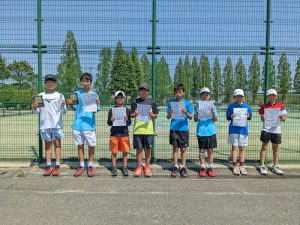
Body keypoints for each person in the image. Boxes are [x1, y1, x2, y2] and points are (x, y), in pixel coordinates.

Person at [66, 72, 100, 177]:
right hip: (78, 124)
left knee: (91, 146)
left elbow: (96, 110)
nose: (85, 83)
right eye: (83, 81)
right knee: (80, 146)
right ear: (81, 81)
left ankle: (89, 166)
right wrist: (70, 104)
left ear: (90, 82)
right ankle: (81, 166)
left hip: (89, 125)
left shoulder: (94, 95)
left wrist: (97, 104)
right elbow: (74, 108)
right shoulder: (76, 94)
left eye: (87, 81)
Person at [32, 74, 66, 176]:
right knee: (47, 147)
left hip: (57, 125)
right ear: (45, 83)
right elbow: (36, 111)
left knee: (57, 145)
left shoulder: (60, 95)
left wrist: (63, 106)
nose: (50, 83)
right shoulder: (40, 95)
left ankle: (57, 165)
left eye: (52, 82)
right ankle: (48, 166)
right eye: (48, 82)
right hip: (45, 125)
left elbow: (63, 111)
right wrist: (34, 107)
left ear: (56, 83)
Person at [130, 83, 158, 177]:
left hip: (148, 130)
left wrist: (151, 115)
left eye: (145, 90)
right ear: (139, 91)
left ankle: (147, 167)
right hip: (138, 130)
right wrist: (135, 114)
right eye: (141, 90)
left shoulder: (152, 102)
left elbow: (155, 115)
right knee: (139, 150)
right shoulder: (135, 102)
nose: (143, 92)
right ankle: (138, 167)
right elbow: (131, 115)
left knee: (147, 149)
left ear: (148, 92)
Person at [258, 89, 287, 175]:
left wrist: (282, 117)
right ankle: (262, 165)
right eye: (270, 95)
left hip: (276, 130)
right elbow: (262, 119)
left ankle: (276, 166)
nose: (272, 97)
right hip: (266, 130)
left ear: (276, 96)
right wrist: (263, 116)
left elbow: (284, 119)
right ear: (267, 97)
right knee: (264, 147)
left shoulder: (281, 106)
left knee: (276, 148)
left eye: (273, 95)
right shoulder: (263, 107)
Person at [166, 83, 193, 177]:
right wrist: (170, 113)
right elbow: (168, 117)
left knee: (183, 149)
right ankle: (175, 166)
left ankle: (183, 166)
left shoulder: (187, 103)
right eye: (176, 92)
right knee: (175, 148)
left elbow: (190, 117)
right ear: (174, 93)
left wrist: (186, 112)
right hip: (174, 129)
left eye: (180, 92)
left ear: (183, 93)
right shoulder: (171, 103)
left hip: (184, 129)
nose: (178, 94)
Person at [226, 89, 252, 175]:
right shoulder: (231, 106)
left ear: (243, 97)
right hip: (233, 130)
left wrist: (248, 116)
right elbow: (228, 117)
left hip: (243, 130)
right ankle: (234, 165)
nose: (239, 98)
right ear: (234, 97)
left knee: (242, 148)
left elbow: (250, 116)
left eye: (241, 96)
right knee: (234, 147)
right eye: (237, 96)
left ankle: (242, 165)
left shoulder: (247, 106)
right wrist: (231, 116)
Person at [194, 87, 217, 177]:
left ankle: (210, 167)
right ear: (200, 96)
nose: (205, 96)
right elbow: (195, 120)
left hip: (211, 131)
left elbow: (215, 119)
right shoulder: (197, 106)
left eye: (207, 94)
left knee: (210, 151)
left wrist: (213, 112)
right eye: (203, 94)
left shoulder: (213, 106)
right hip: (201, 132)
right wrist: (198, 113)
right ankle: (203, 167)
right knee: (201, 152)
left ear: (209, 96)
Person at [107, 91, 131, 176]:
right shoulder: (111, 110)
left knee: (125, 151)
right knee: (114, 152)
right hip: (114, 134)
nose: (119, 99)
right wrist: (111, 120)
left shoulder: (127, 110)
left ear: (124, 99)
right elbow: (109, 123)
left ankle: (124, 167)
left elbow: (129, 123)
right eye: (118, 98)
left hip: (124, 134)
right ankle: (114, 167)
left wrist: (127, 119)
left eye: (121, 98)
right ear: (115, 99)